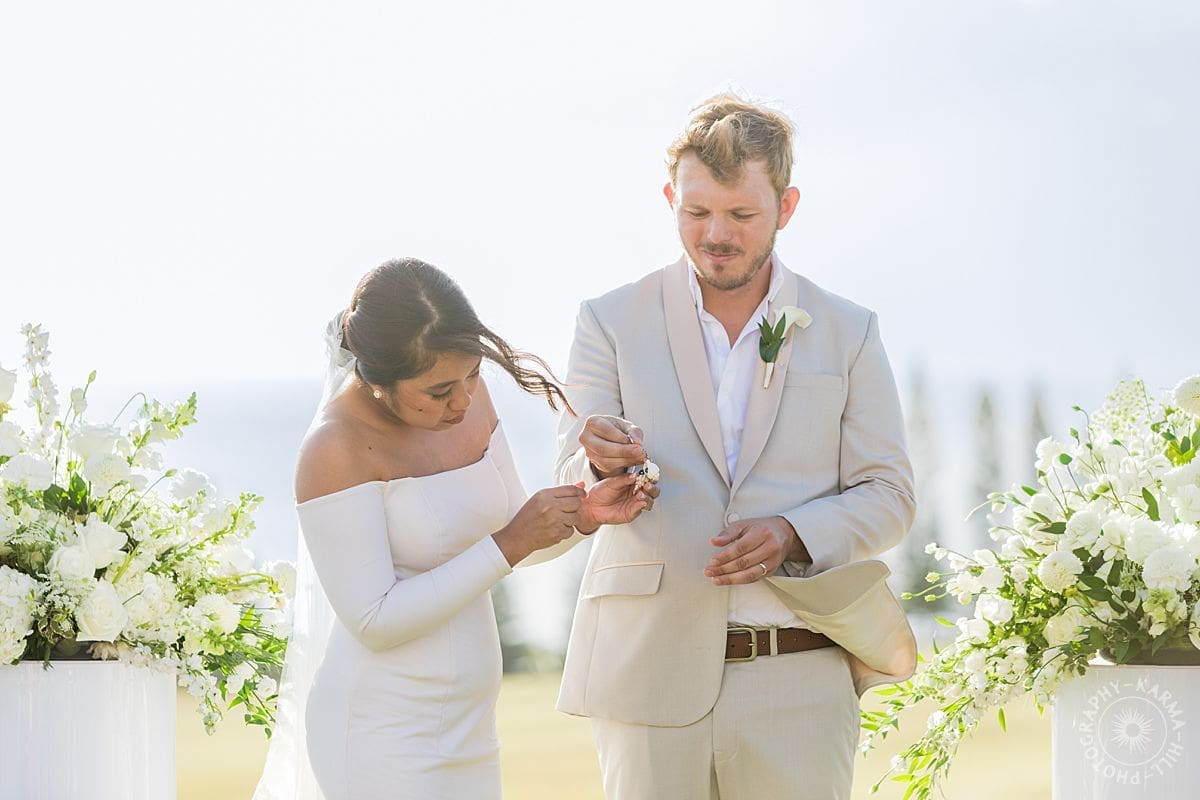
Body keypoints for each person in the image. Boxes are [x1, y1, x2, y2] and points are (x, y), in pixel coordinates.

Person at [553, 92, 917, 799]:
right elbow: (570, 478)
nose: (716, 234)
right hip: (645, 675)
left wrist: (793, 532)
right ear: (670, 199)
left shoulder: (849, 331)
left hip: (799, 675)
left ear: (787, 206)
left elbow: (891, 496)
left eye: (741, 215)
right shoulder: (608, 320)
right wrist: (598, 467)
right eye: (696, 212)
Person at [254, 258, 654, 800]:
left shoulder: (469, 402)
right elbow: (374, 619)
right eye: (440, 390)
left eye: (473, 374)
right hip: (378, 736)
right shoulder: (334, 448)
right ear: (378, 380)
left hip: (470, 730)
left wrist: (584, 514)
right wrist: (512, 542)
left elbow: (510, 533)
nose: (463, 401)